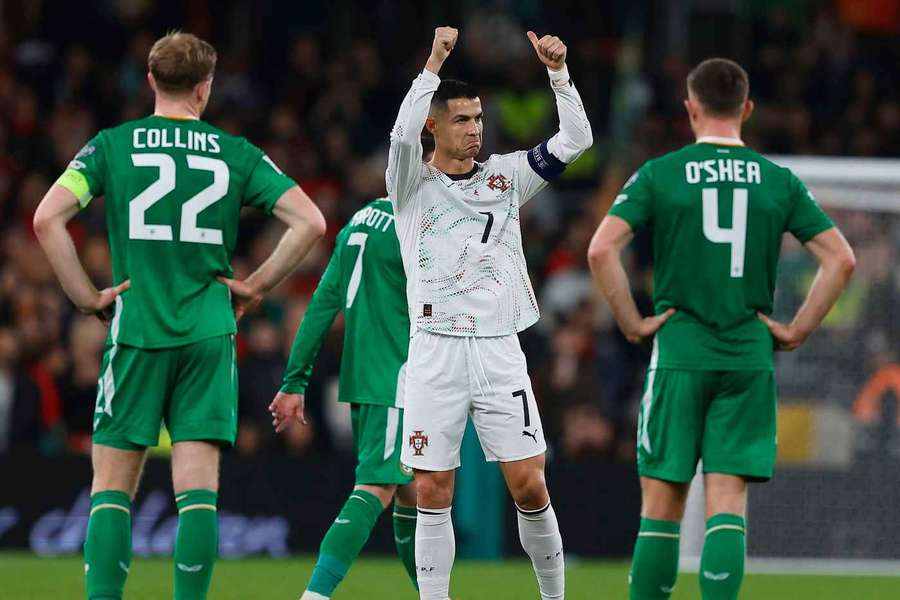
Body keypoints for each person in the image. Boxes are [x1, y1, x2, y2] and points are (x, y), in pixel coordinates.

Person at [32, 31, 326, 600]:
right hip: (209, 334)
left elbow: (47, 219)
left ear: (150, 81)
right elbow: (310, 222)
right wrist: (257, 285)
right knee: (198, 492)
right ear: (204, 88)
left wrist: (85, 296)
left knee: (112, 489)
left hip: (137, 329)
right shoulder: (235, 152)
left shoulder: (110, 146)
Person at [587, 58, 856, 600]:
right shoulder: (778, 180)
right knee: (727, 500)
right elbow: (841, 260)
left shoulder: (661, 173)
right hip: (747, 355)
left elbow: (601, 249)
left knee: (661, 503)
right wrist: (797, 328)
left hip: (681, 350)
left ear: (690, 109)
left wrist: (633, 321)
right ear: (747, 110)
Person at [386, 26, 592, 600]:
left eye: (478, 118)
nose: (475, 129)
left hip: (500, 347)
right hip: (435, 347)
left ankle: (554, 596)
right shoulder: (409, 184)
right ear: (434, 123)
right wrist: (431, 64)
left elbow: (576, 139)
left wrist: (559, 74)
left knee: (529, 483)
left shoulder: (507, 177)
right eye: (461, 119)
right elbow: (400, 138)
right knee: (431, 489)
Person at [270, 197, 418, 599]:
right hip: (397, 375)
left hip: (363, 375)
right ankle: (315, 595)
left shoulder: (358, 220)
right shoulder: (417, 222)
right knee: (377, 487)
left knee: (412, 492)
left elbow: (321, 305)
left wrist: (294, 380)